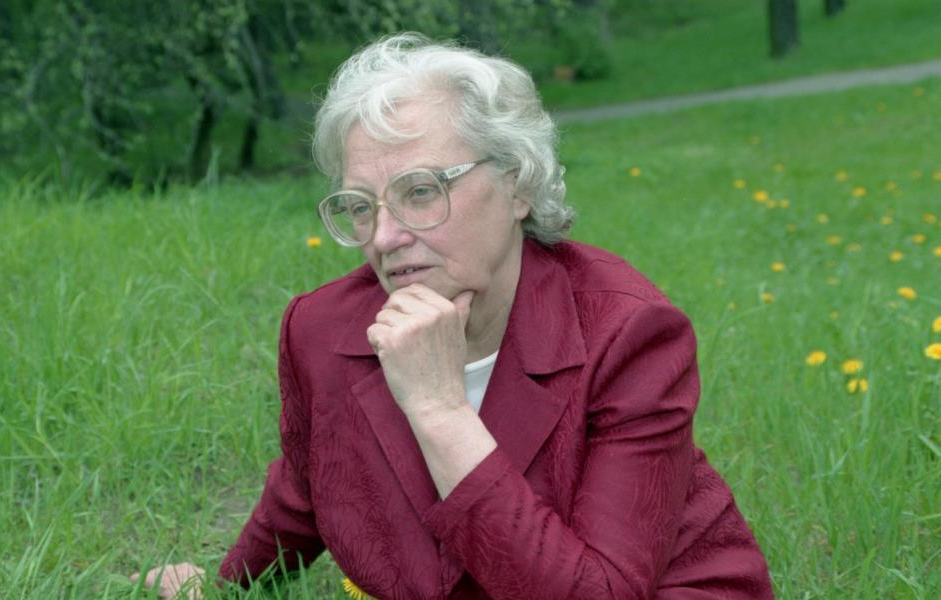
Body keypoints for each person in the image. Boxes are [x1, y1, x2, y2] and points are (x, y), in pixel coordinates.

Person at [136, 33, 774, 599]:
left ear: (517, 184)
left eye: (420, 191)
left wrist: (440, 411)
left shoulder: (627, 334)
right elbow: (306, 494)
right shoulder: (320, 330)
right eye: (360, 205)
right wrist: (221, 590)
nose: (384, 237)